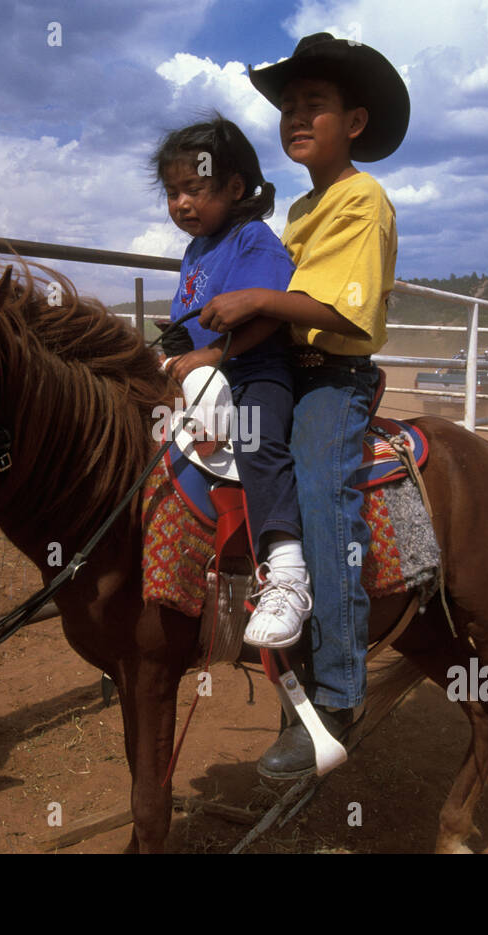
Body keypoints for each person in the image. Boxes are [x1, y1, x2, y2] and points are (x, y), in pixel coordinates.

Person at [193, 32, 409, 777]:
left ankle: (338, 692)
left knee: (318, 491)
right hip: (279, 368)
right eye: (288, 108)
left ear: (353, 123)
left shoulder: (361, 199)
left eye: (312, 105)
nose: (294, 118)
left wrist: (255, 297)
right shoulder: (302, 209)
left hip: (330, 379)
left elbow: (342, 311)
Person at [152, 114, 311, 649]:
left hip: (255, 369)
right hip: (204, 369)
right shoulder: (195, 253)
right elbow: (193, 318)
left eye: (193, 189)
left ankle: (286, 564)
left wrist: (210, 355)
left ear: (235, 187)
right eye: (172, 193)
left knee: (257, 438)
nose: (181, 204)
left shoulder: (253, 241)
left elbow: (268, 317)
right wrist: (179, 351)